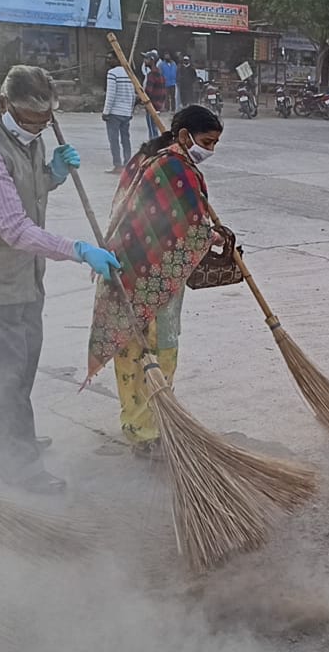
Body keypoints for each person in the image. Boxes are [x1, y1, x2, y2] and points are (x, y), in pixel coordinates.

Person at [0, 65, 120, 493]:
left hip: (23, 278)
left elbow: (27, 188)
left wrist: (51, 175)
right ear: (4, 104)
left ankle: (9, 436)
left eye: (46, 121)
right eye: (29, 119)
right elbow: (15, 229)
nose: (38, 128)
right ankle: (17, 463)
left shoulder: (30, 136)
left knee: (19, 366)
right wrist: (79, 250)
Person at [88, 106, 223, 457]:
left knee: (150, 351)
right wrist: (211, 237)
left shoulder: (158, 158)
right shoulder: (171, 166)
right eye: (207, 142)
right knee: (146, 352)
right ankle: (143, 431)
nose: (210, 150)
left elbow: (183, 220)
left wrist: (207, 234)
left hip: (145, 272)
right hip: (142, 275)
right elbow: (183, 226)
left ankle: (151, 421)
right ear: (183, 136)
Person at [102, 52, 135, 175]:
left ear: (117, 59)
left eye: (110, 58)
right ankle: (128, 164)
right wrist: (130, 110)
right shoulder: (129, 72)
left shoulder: (112, 73)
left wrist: (106, 112)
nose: (108, 60)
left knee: (114, 140)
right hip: (126, 112)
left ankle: (118, 165)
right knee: (125, 139)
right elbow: (133, 94)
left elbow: (110, 94)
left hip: (114, 112)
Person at [141, 52, 166, 141]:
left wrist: (141, 100)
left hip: (151, 106)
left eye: (146, 59)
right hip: (158, 105)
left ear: (152, 60)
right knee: (155, 129)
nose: (144, 61)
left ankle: (154, 148)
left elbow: (148, 92)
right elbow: (163, 92)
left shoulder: (151, 75)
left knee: (152, 131)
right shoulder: (160, 74)